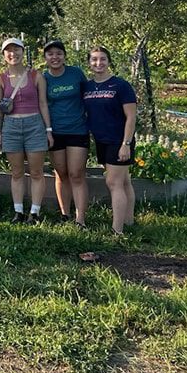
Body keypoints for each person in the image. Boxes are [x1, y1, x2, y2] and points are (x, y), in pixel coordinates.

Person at [0, 37, 53, 224]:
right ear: (4, 55)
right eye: (9, 51)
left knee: (36, 172)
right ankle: (18, 211)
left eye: (17, 49)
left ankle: (34, 213)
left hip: (34, 124)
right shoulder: (0, 79)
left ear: (23, 51)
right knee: (17, 172)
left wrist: (48, 130)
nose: (13, 54)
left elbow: (43, 103)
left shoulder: (36, 76)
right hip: (11, 126)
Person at [83, 46, 138, 236]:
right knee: (124, 181)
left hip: (119, 140)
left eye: (103, 59)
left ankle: (118, 230)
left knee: (114, 183)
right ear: (89, 63)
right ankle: (129, 221)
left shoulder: (120, 85)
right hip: (101, 140)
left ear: (109, 61)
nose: (99, 63)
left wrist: (126, 144)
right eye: (94, 59)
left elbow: (131, 117)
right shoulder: (88, 86)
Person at [43, 40, 90, 229]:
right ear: (45, 57)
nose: (55, 57)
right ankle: (65, 214)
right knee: (61, 174)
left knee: (76, 173)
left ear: (64, 56)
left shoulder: (76, 73)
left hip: (77, 129)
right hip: (55, 132)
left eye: (58, 53)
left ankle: (80, 219)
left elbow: (88, 96)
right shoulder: (43, 78)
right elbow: (42, 105)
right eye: (50, 54)